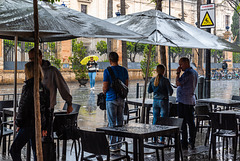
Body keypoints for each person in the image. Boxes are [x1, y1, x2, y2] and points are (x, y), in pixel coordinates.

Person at [28, 48, 73, 139]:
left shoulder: (52, 71)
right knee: (33, 138)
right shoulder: (31, 72)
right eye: (31, 59)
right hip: (33, 111)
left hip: (47, 111)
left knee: (46, 138)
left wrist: (69, 102)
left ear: (40, 57)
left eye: (34, 59)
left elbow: (63, 87)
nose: (32, 61)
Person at [10, 62, 50, 161]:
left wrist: (18, 123)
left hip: (28, 124)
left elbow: (23, 107)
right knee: (36, 152)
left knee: (14, 149)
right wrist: (45, 126)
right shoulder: (44, 88)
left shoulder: (28, 87)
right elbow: (47, 110)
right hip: (39, 124)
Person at [102, 52, 129, 151]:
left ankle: (113, 146)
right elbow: (126, 85)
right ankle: (119, 144)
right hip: (121, 99)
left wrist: (104, 92)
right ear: (118, 59)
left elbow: (105, 87)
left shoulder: (107, 71)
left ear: (109, 60)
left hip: (111, 98)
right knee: (120, 121)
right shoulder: (124, 70)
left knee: (112, 122)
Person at [176, 57, 198, 150]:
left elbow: (178, 83)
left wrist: (177, 73)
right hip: (189, 100)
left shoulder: (187, 73)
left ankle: (185, 142)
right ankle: (191, 140)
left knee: (184, 122)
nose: (180, 66)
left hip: (184, 101)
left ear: (186, 63)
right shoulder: (194, 72)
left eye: (181, 64)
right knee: (190, 122)